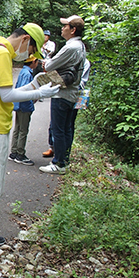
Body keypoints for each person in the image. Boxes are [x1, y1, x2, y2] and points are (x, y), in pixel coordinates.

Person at [0, 23, 60, 259]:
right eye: (32, 49)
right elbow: (8, 96)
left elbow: (3, 92)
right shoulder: (1, 54)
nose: (30, 56)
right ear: (25, 39)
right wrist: (40, 94)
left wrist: (35, 84)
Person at [39, 15, 87, 175]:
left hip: (63, 92)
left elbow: (50, 64)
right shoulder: (81, 46)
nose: (62, 28)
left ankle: (58, 163)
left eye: (65, 26)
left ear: (73, 30)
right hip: (74, 93)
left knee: (58, 129)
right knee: (67, 128)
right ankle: (64, 160)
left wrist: (47, 63)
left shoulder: (70, 47)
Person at [8, 55, 40, 166]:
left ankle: (14, 151)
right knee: (23, 130)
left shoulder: (23, 71)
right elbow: (25, 89)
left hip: (19, 104)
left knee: (17, 128)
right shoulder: (27, 74)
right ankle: (20, 153)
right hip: (25, 105)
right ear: (33, 62)